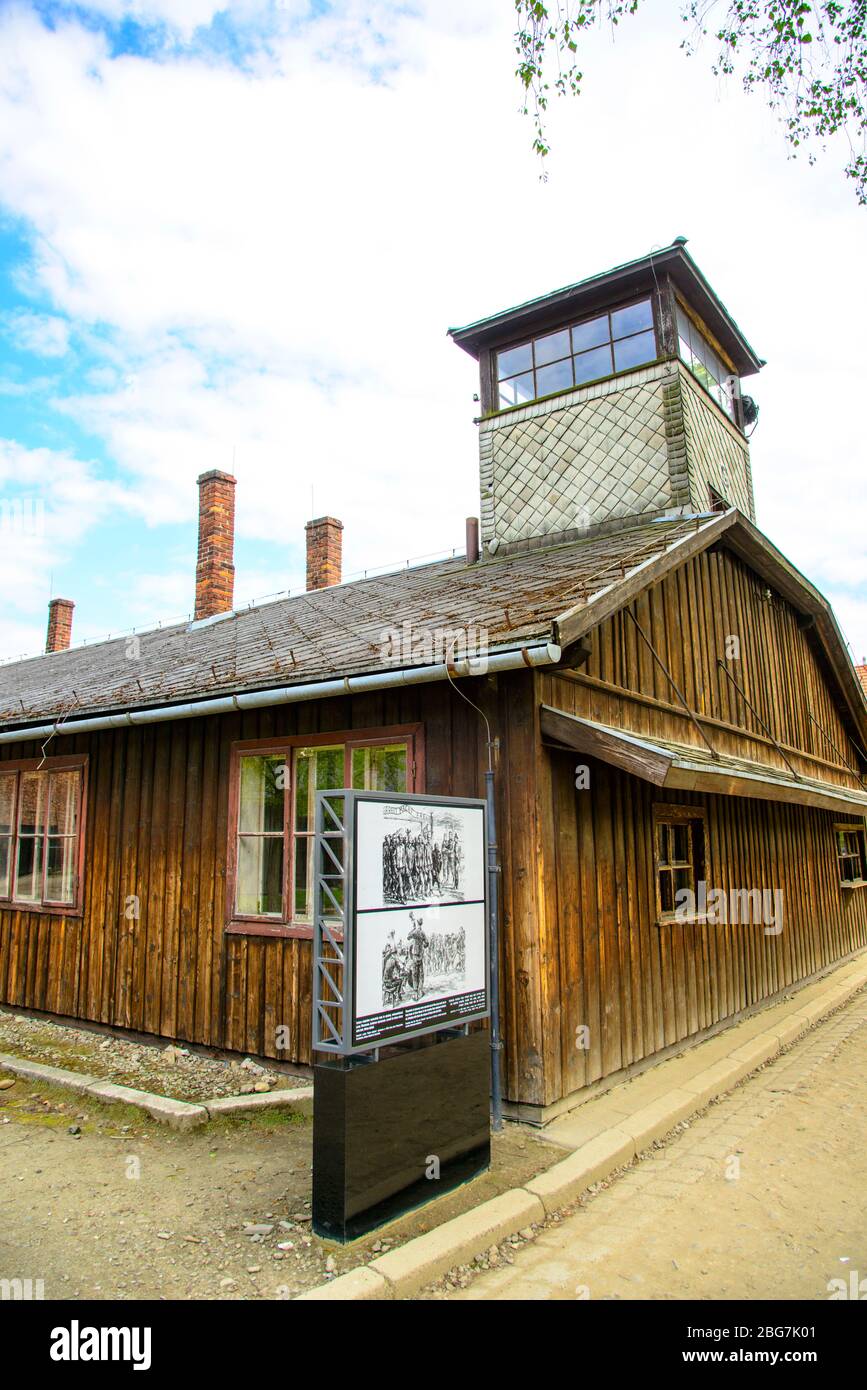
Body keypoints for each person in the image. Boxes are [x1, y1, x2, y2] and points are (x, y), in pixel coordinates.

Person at [406, 911, 429, 1000]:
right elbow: (427, 943)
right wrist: (423, 945)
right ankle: (420, 991)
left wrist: (413, 928)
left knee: (415, 974)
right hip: (420, 955)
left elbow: (408, 937)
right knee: (421, 973)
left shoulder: (415, 932)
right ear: (421, 924)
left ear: (417, 923)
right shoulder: (423, 932)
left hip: (415, 956)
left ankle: (415, 993)